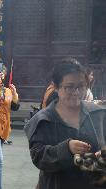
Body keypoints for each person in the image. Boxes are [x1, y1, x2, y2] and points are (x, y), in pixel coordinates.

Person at [24, 58, 106, 189]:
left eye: (81, 86)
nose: (76, 93)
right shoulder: (43, 119)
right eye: (69, 87)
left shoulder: (98, 114)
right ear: (56, 87)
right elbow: (39, 157)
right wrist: (66, 148)